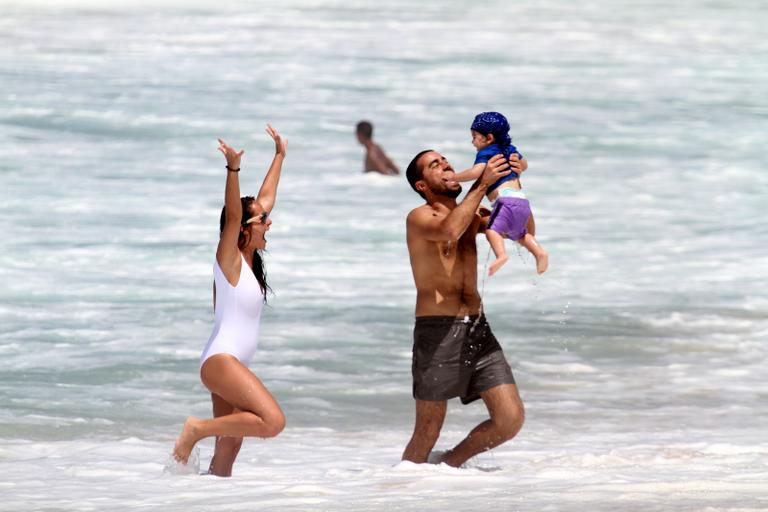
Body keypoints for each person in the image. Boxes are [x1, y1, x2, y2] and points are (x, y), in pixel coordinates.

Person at [172, 125, 287, 477]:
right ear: (242, 229)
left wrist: (280, 156)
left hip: (227, 360)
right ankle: (196, 429)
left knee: (231, 444)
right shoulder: (230, 259)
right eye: (263, 220)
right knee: (271, 421)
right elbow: (235, 214)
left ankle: (210, 493)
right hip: (221, 360)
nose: (269, 221)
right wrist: (233, 169)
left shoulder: (249, 262)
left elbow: (263, 200)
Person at [401, 149, 525, 468]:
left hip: (477, 327)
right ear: (421, 185)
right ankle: (401, 489)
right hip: (437, 330)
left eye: (445, 160)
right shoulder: (420, 216)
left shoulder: (474, 213)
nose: (445, 164)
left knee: (509, 419)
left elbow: (522, 229)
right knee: (427, 430)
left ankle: (449, 465)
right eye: (434, 165)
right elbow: (450, 230)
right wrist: (481, 184)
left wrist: (512, 182)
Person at [453, 112, 548, 275]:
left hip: (504, 199)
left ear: (488, 138)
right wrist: (518, 167)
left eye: (475, 136)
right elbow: (524, 164)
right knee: (521, 235)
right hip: (522, 200)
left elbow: (475, 173)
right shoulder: (510, 149)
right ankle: (540, 253)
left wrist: (454, 177)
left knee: (492, 230)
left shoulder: (486, 152)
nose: (472, 141)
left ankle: (501, 255)